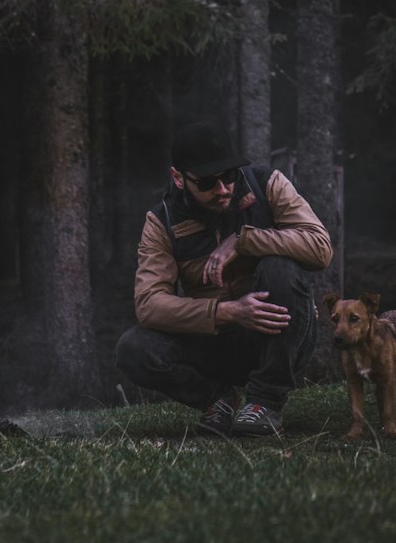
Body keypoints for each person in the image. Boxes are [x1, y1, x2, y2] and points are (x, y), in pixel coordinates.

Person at [114, 119, 333, 437]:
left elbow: (320, 248)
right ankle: (218, 400)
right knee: (132, 348)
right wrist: (227, 312)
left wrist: (245, 241)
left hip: (277, 335)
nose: (223, 189)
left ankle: (265, 403)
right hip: (213, 342)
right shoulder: (161, 221)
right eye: (207, 182)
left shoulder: (268, 184)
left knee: (279, 268)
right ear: (178, 177)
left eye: (229, 176)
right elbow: (149, 305)